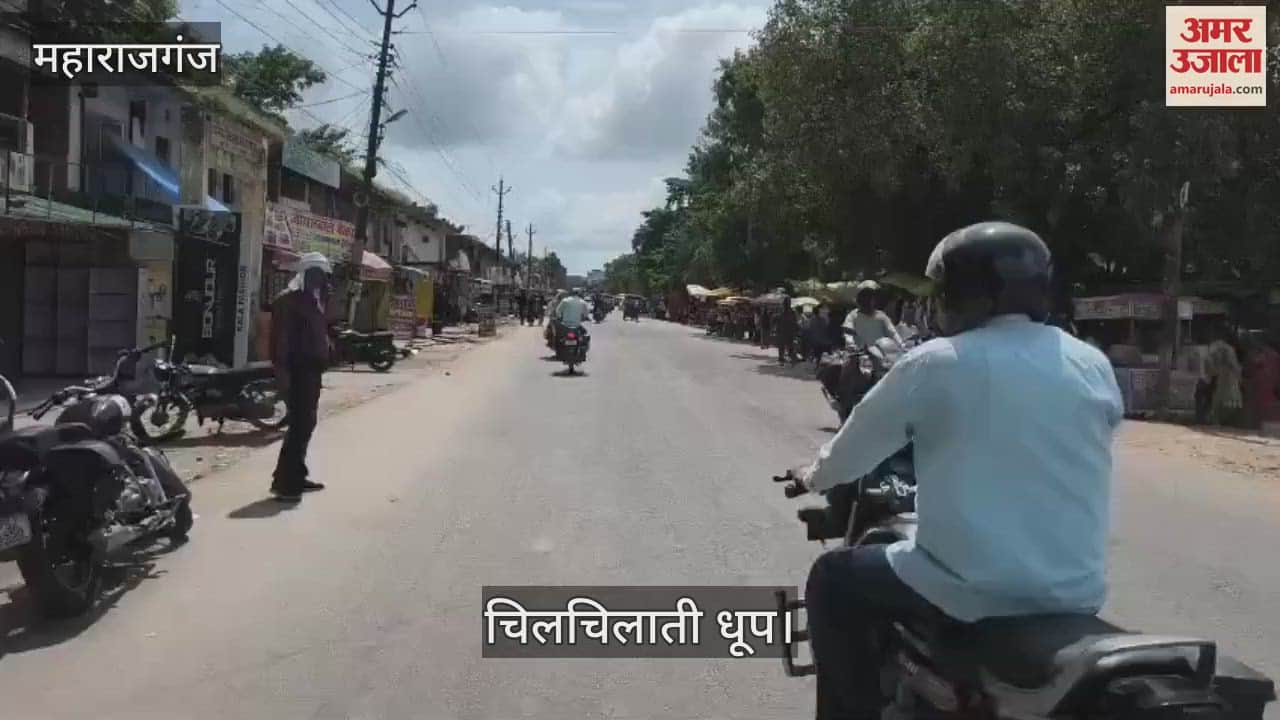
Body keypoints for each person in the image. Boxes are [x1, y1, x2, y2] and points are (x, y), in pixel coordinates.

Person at [789, 222, 1124, 720]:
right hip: (1074, 593)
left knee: (831, 579)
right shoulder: (1091, 362)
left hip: (971, 590)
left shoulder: (937, 363)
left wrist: (811, 476)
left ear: (961, 293)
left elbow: (852, 451)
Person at [269, 252, 334, 503]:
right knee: (298, 426)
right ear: (305, 274)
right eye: (316, 275)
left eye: (323, 276)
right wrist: (282, 374)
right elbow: (281, 342)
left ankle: (296, 474)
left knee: (307, 425)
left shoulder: (314, 300)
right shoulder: (288, 301)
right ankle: (285, 483)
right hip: (296, 372)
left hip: (312, 372)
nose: (321, 280)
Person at [842, 280, 904, 349]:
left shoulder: (881, 315)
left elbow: (893, 332)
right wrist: (851, 344)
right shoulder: (852, 316)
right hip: (862, 354)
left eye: (870, 298)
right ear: (859, 300)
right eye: (865, 298)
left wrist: (901, 344)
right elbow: (848, 333)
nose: (868, 301)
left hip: (883, 354)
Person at [1205, 325, 1244, 426]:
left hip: (1216, 375)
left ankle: (1215, 420)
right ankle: (1222, 421)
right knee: (1229, 400)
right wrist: (1239, 376)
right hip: (1228, 376)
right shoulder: (1229, 349)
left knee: (1217, 399)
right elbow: (1233, 364)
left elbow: (1208, 361)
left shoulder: (1213, 346)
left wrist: (1211, 372)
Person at [775, 297, 799, 366]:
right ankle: (784, 360)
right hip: (784, 332)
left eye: (788, 302)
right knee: (784, 347)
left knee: (788, 347)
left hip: (788, 332)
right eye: (787, 302)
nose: (788, 303)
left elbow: (795, 322)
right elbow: (776, 320)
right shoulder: (783, 312)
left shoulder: (791, 312)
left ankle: (789, 360)